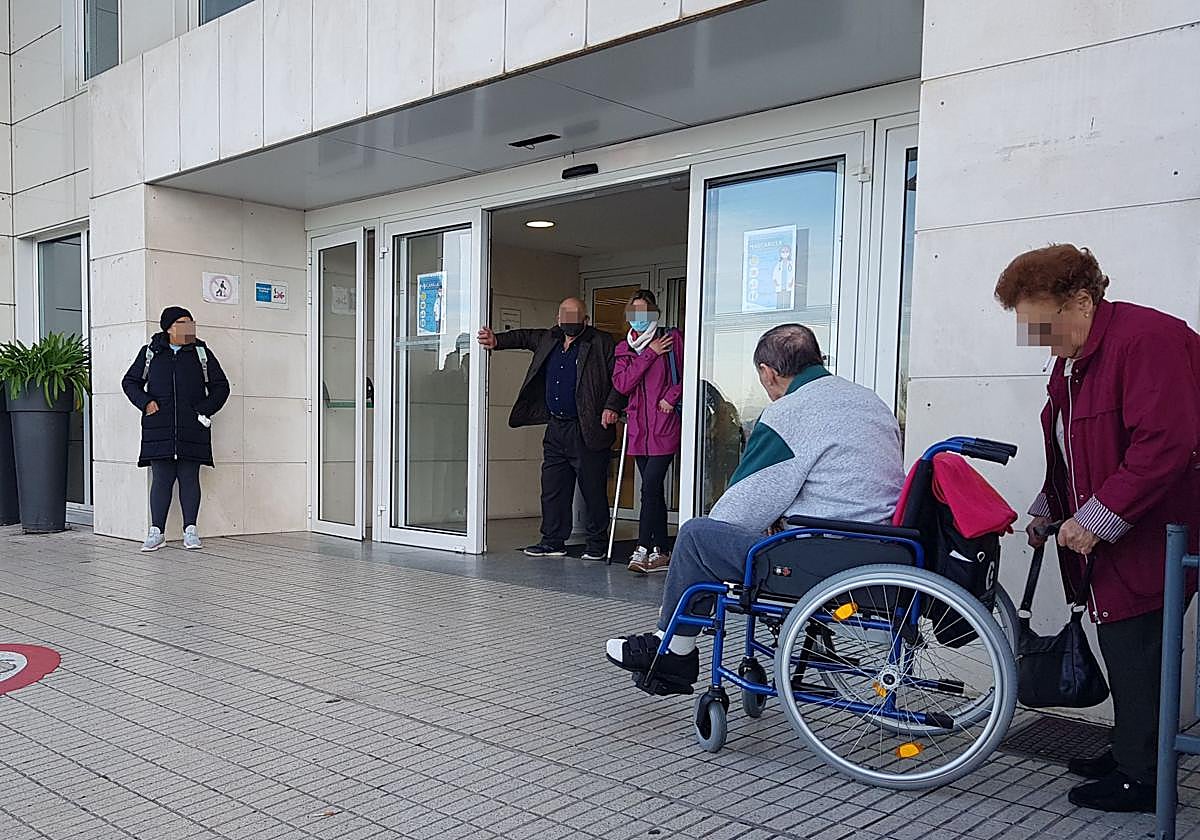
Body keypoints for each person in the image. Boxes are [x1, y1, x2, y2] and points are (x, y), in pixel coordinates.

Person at [995, 244, 1200, 813]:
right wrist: (1047, 507)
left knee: (1140, 649)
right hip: (1118, 536)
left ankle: (1145, 779)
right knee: (1122, 643)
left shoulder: (1146, 339)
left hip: (1156, 535)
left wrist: (1096, 518)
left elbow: (1166, 443)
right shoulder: (1075, 361)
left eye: (1042, 323)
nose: (1038, 339)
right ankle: (1128, 750)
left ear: (1082, 301)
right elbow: (1070, 450)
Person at [605, 324, 904, 694]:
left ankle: (674, 652)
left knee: (698, 537)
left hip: (824, 557)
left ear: (768, 372)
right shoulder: (869, 401)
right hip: (882, 550)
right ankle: (673, 648)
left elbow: (740, 510)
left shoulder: (789, 413)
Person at [478, 298, 625, 559]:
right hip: (556, 426)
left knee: (592, 489)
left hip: (587, 427)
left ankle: (597, 544)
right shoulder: (550, 338)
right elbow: (523, 337)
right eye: (565, 316)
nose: (569, 322)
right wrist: (496, 340)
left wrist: (612, 406)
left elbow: (619, 379)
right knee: (553, 486)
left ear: (586, 320)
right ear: (558, 319)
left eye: (575, 317)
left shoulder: (601, 342)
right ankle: (552, 540)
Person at [121, 307, 231, 552]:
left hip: (192, 426)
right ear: (168, 327)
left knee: (189, 478)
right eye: (183, 322)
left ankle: (190, 530)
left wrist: (203, 409)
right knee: (161, 479)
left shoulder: (201, 353)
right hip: (158, 427)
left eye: (191, 321)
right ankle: (156, 532)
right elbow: (130, 382)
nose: (189, 326)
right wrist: (146, 403)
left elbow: (221, 387)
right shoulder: (150, 353)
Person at [612, 291, 683, 573]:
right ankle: (661, 550)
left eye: (644, 312)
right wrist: (650, 354)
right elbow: (622, 385)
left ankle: (642, 548)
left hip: (664, 424)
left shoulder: (672, 338)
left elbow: (688, 373)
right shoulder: (624, 348)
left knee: (649, 487)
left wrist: (672, 397)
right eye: (634, 313)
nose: (639, 319)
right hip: (639, 430)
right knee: (653, 492)